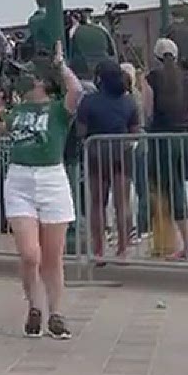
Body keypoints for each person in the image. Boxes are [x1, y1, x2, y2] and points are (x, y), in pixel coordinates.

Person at [0, 47, 83, 339]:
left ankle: (56, 312)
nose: (22, 80)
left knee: (52, 256)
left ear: (42, 81)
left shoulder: (58, 109)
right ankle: (34, 305)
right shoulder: (18, 110)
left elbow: (76, 90)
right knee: (30, 253)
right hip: (19, 179)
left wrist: (60, 65)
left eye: (30, 75)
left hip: (51, 179)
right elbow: (3, 128)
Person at [142, 38, 188, 261]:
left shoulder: (152, 78)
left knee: (172, 190)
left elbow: (148, 111)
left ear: (156, 56)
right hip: (186, 136)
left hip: (163, 138)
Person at [74, 59, 140, 262]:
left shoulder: (88, 101)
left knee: (97, 204)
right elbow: (135, 131)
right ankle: (122, 249)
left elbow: (81, 131)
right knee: (122, 204)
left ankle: (99, 249)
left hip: (96, 154)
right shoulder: (129, 101)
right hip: (122, 154)